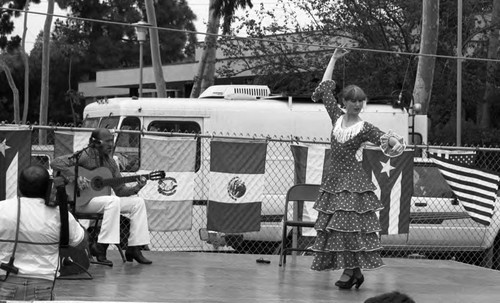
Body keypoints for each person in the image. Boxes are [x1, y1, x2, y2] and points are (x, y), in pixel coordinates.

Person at [309, 46, 405, 289]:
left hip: (353, 181)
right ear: (344, 102)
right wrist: (332, 58)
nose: (357, 104)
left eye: (360, 100)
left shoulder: (364, 128)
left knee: (349, 229)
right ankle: (355, 272)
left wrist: (397, 142)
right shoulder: (335, 117)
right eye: (353, 100)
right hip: (333, 180)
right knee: (338, 230)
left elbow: (385, 138)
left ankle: (350, 272)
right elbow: (324, 87)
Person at [51, 128, 152, 266]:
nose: (111, 144)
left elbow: (120, 190)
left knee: (137, 203)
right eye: (108, 141)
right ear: (97, 143)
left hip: (101, 202)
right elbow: (56, 162)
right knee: (112, 201)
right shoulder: (85, 155)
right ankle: (101, 247)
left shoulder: (110, 163)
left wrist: (137, 187)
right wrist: (76, 177)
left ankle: (134, 248)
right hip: (81, 201)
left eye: (112, 141)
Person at [0, 165, 86, 300]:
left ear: (19, 187)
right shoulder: (60, 214)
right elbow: (80, 243)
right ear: (48, 186)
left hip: (5, 281)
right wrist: (67, 214)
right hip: (42, 285)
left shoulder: (2, 209)